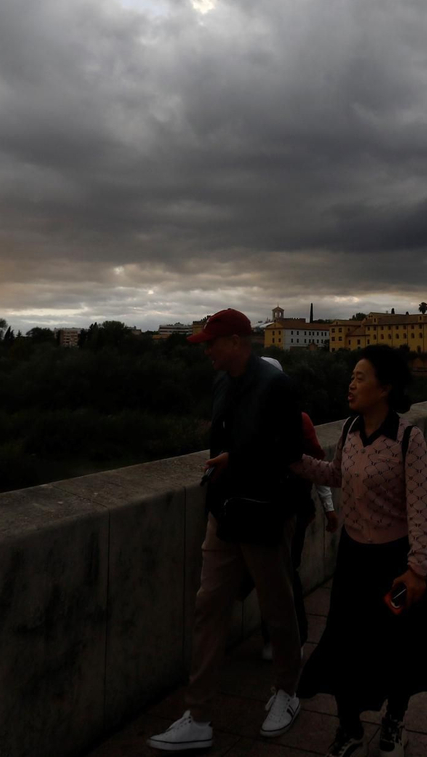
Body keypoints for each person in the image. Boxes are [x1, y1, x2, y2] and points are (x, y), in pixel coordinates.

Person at [151, 310, 306, 752]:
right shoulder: (221, 382)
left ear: (239, 342)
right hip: (225, 513)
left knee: (277, 608)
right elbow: (224, 440)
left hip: (263, 514)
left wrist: (236, 460)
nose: (207, 351)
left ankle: (288, 692)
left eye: (212, 343)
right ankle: (198, 715)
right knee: (208, 608)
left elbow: (290, 453)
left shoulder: (277, 386)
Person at [290, 346, 427, 757]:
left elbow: (420, 507)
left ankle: (394, 720)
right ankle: (349, 727)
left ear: (385, 387)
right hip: (354, 560)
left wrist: (417, 569)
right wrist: (293, 461)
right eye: (351, 377)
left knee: (398, 647)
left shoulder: (409, 437)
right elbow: (336, 474)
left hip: (396, 564)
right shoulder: (351, 429)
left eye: (360, 377)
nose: (351, 384)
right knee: (345, 646)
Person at [255, 358, 339, 661]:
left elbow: (317, 468)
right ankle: (280, 637)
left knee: (285, 573)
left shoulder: (298, 421)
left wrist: (329, 508)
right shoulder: (251, 417)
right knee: (273, 575)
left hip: (293, 509)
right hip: (265, 509)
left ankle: (291, 637)